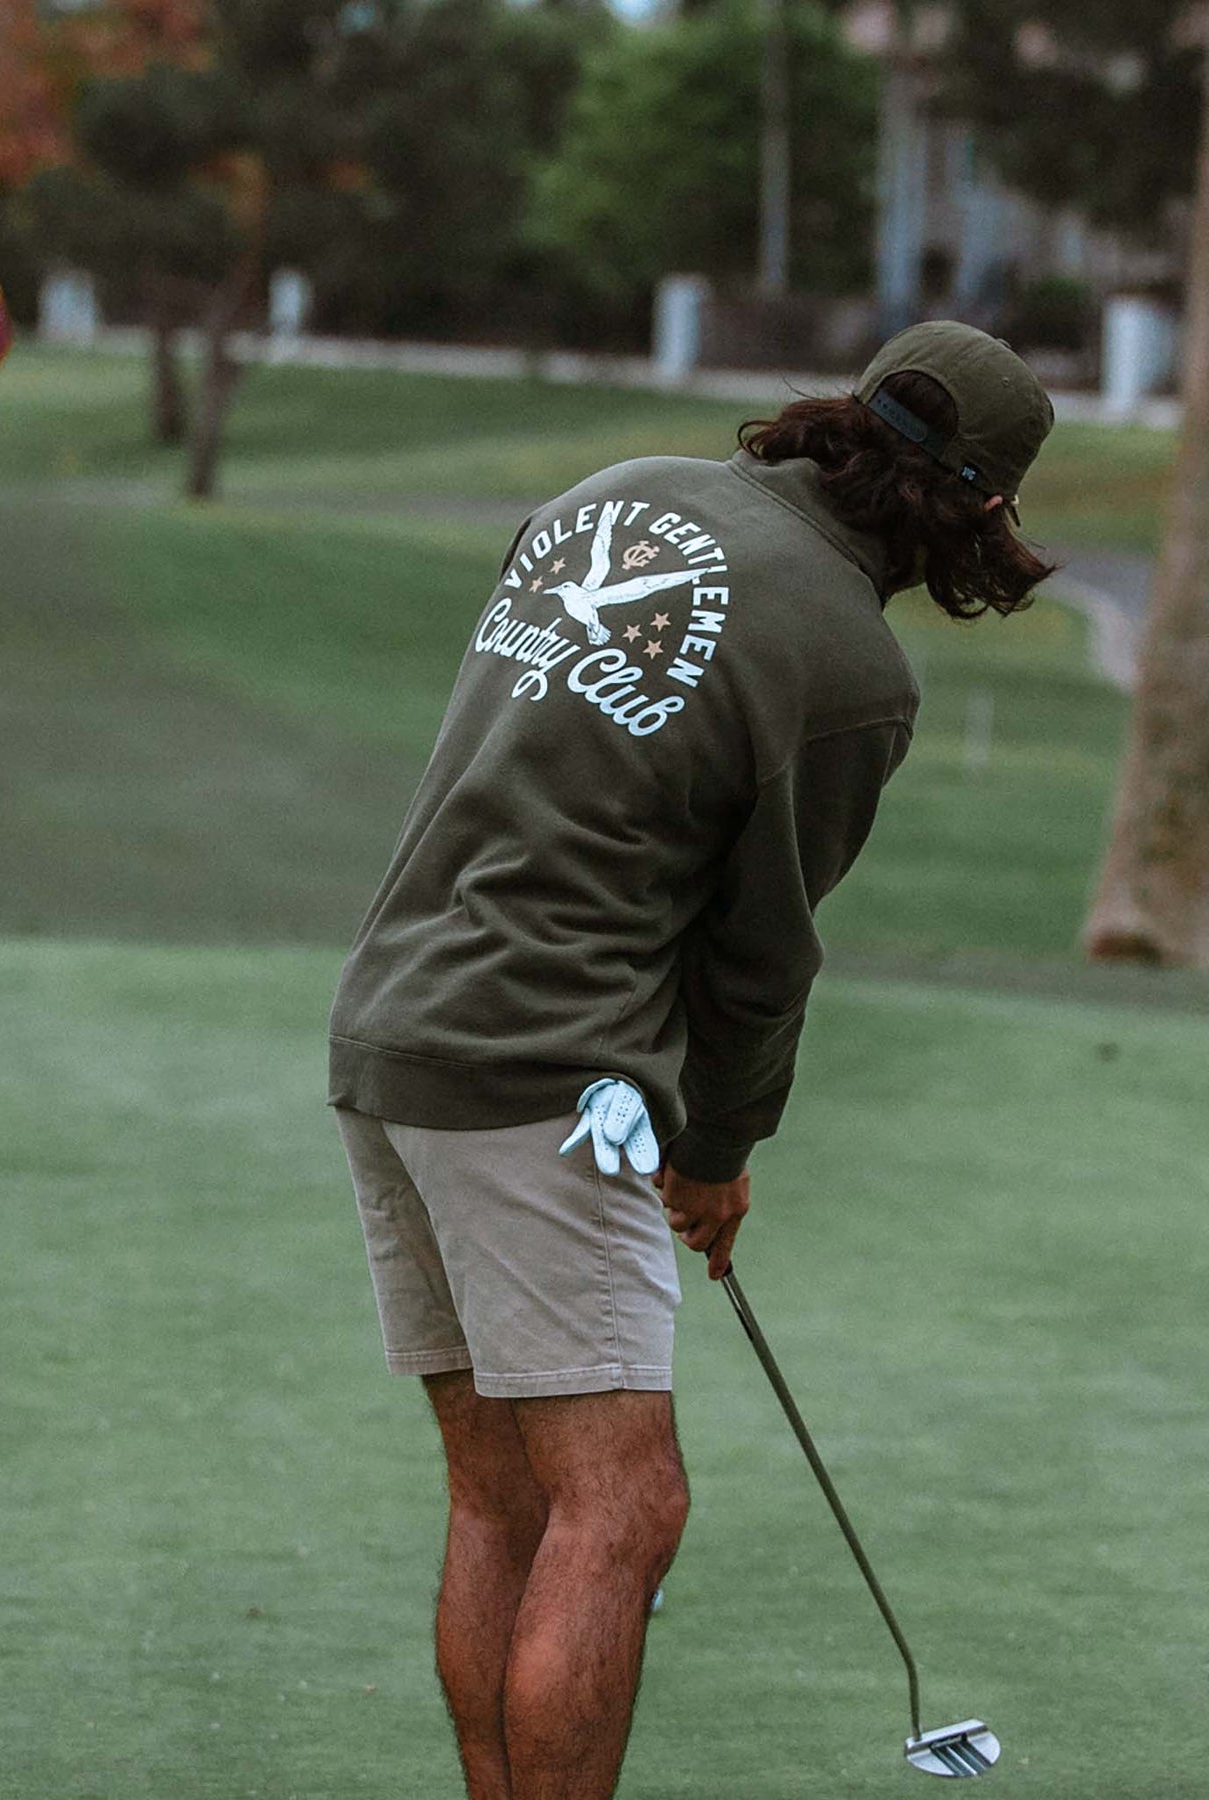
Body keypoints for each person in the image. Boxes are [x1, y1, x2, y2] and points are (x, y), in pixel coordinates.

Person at [326, 321, 1056, 1800]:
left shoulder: (617, 492)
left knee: (502, 1496)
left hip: (393, 1027)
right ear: (977, 508)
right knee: (622, 1507)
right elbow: (760, 958)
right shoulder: (852, 666)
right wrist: (719, 1154)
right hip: (543, 1067)